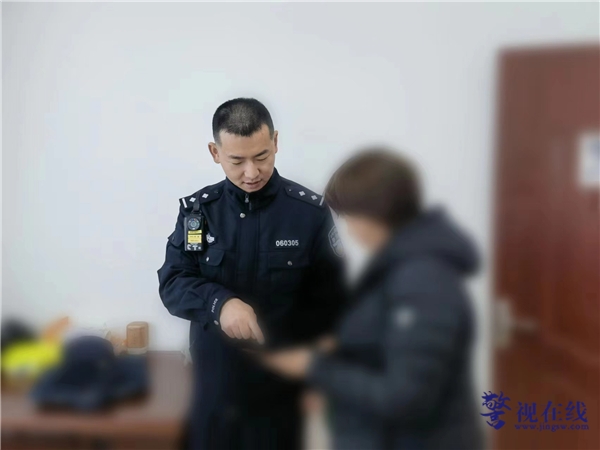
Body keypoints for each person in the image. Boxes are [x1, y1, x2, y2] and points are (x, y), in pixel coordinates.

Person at [260, 148, 484, 450]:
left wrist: (316, 367)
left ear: (375, 212)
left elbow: (407, 397)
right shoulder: (396, 268)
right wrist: (337, 354)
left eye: (349, 217)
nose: (349, 229)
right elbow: (386, 344)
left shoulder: (423, 281)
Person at [157, 98, 346, 450]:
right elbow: (173, 282)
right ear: (215, 152)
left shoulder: (309, 214)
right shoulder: (199, 213)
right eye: (237, 161)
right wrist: (219, 303)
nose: (251, 172)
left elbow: (332, 303)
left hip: (281, 394)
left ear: (275, 141)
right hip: (215, 388)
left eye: (261, 156)